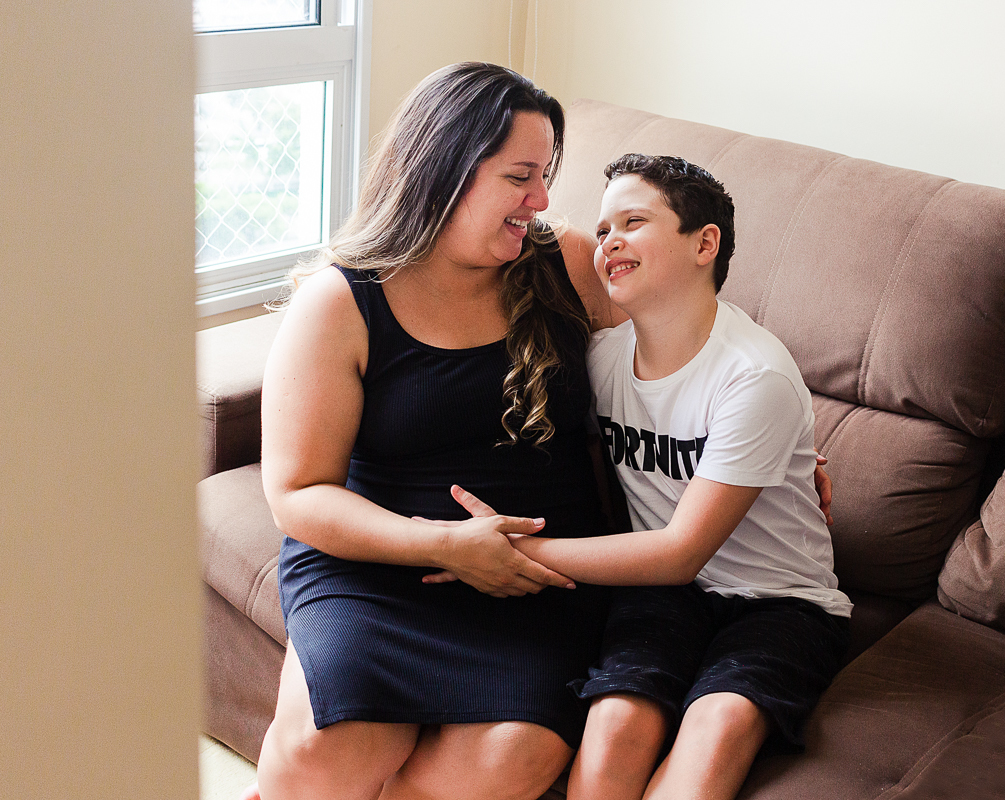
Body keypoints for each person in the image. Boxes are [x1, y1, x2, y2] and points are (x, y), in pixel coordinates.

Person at [247, 62, 628, 800]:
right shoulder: (342, 302)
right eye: (521, 176)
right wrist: (443, 542)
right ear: (447, 169)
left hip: (535, 573)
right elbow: (297, 492)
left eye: (546, 174)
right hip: (377, 566)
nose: (542, 199)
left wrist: (780, 447)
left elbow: (685, 354)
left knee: (512, 757)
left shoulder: (568, 263)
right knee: (327, 748)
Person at [435, 154, 851, 800]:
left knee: (719, 724)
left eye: (634, 221)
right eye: (602, 231)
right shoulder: (600, 363)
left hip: (777, 601)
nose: (609, 242)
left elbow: (681, 552)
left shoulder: (754, 377)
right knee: (614, 726)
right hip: (659, 598)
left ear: (703, 244)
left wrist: (509, 551)